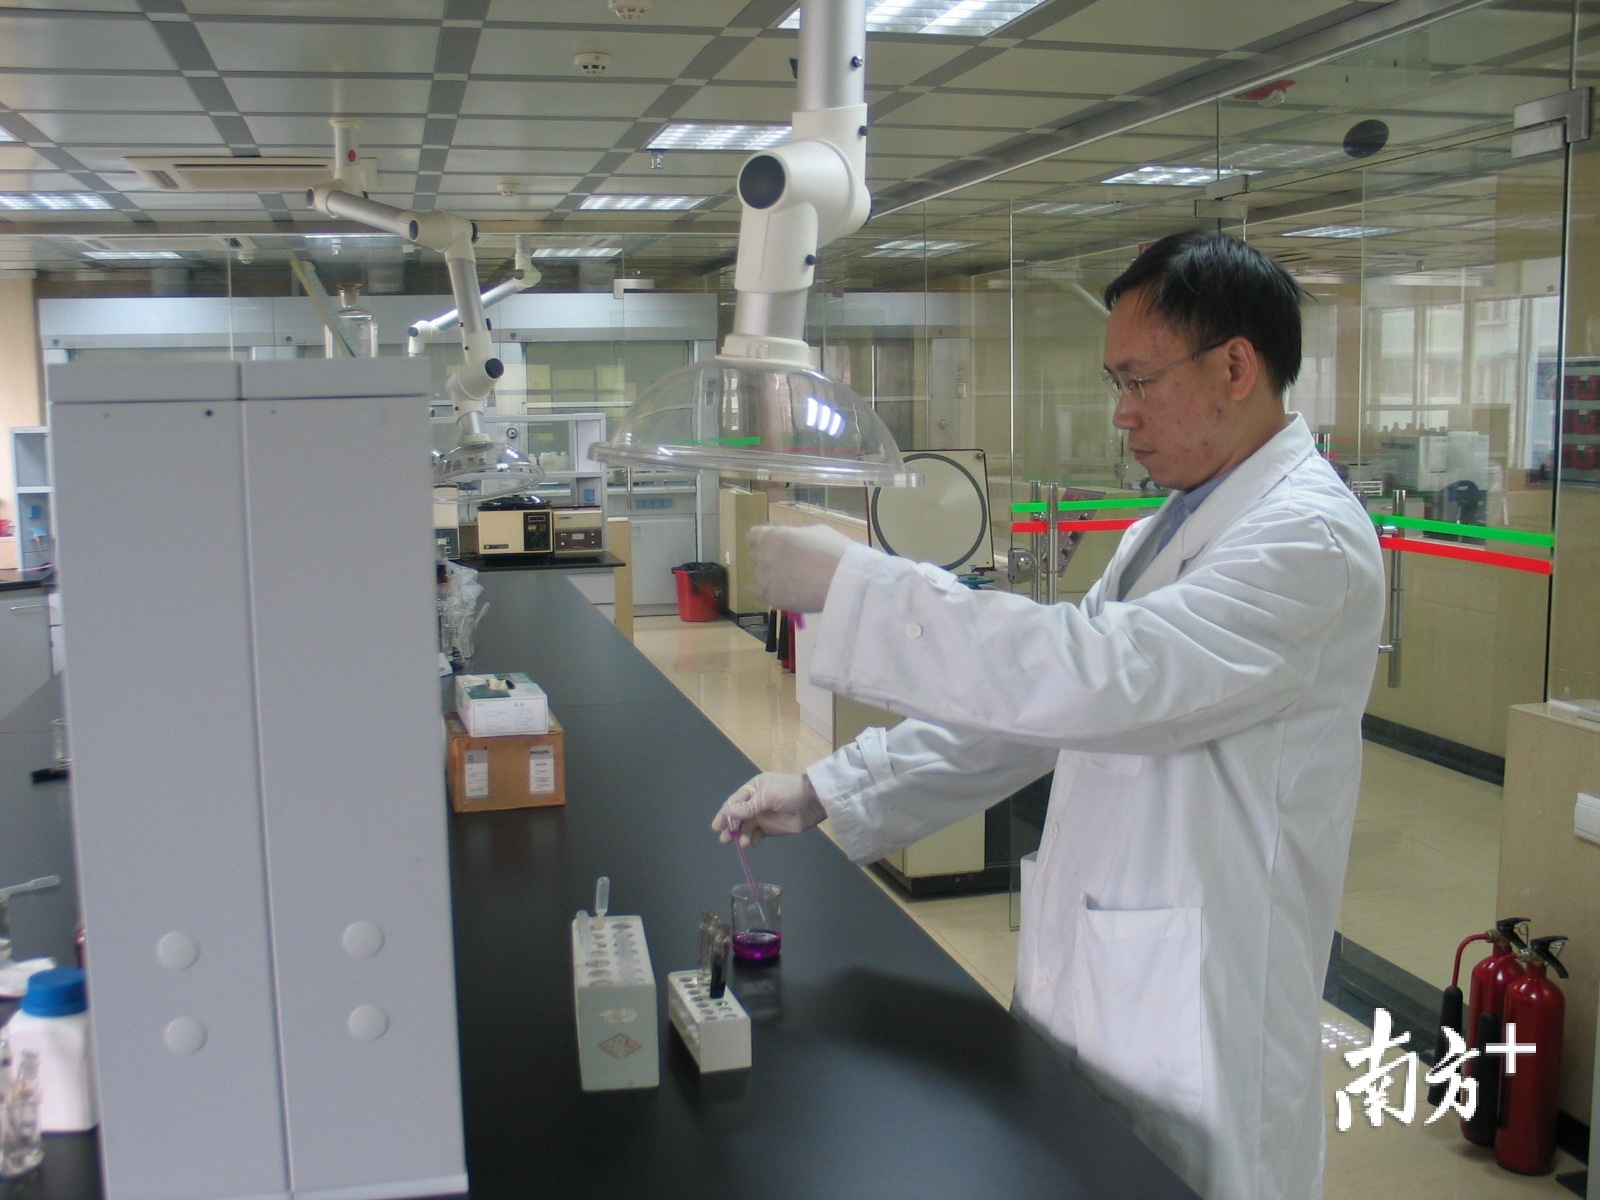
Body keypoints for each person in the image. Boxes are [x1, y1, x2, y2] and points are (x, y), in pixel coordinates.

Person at [711, 230, 1385, 1200]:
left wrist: (861, 588)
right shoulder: (1167, 529)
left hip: (1201, 1012)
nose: (1121, 413)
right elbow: (1036, 714)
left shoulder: (1307, 540)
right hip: (1109, 974)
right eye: (1117, 382)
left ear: (1236, 367)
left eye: (1139, 380)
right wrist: (829, 788)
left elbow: (1105, 678)